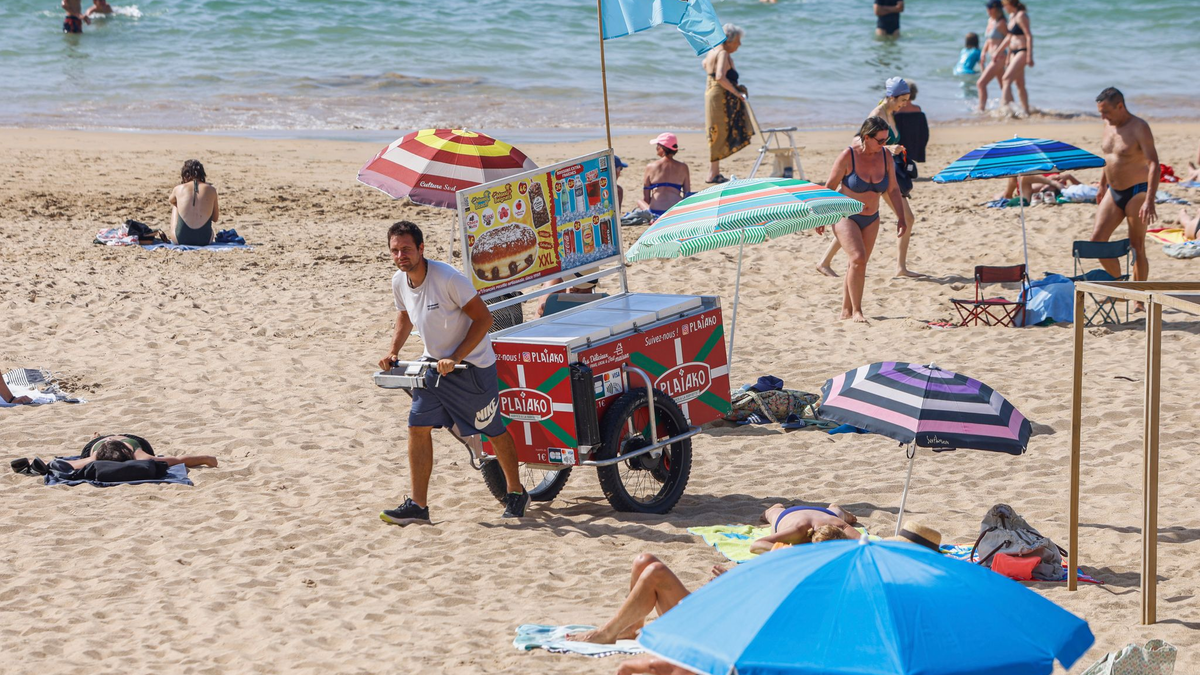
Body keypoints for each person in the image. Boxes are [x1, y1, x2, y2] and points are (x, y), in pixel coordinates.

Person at [378, 221, 529, 524]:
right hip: (433, 367)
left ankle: (515, 491)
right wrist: (393, 350)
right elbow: (405, 315)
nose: (400, 255)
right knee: (416, 428)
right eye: (395, 250)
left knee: (492, 430)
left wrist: (456, 356)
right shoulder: (399, 280)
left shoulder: (448, 278)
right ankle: (419, 505)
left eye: (406, 249)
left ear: (421, 249)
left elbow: (484, 320)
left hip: (471, 367)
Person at [570, 529, 850, 646]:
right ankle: (632, 626)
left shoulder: (811, 588)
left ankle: (606, 633)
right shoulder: (791, 561)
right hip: (715, 610)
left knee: (655, 572)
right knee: (644, 560)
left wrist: (727, 587)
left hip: (718, 629)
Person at [817, 80, 918, 280]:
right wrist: (888, 148)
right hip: (869, 175)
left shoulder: (890, 113)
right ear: (891, 97)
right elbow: (858, 141)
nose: (904, 104)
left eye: (907, 100)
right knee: (900, 218)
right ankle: (900, 266)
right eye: (902, 100)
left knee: (858, 220)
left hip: (882, 172)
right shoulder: (876, 115)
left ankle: (824, 261)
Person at [816, 117, 907, 323]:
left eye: (886, 140)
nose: (885, 144)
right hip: (845, 215)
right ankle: (858, 311)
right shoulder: (848, 156)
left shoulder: (885, 156)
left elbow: (892, 189)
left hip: (872, 217)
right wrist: (821, 216)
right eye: (881, 140)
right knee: (857, 257)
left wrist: (901, 217)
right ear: (867, 137)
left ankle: (846, 310)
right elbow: (829, 186)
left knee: (858, 264)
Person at [1091, 87, 1159, 286]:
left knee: (1136, 246)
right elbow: (1110, 157)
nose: (1103, 116)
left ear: (1120, 106)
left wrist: (1149, 200)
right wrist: (1102, 185)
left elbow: (1154, 163)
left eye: (1106, 112)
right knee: (1097, 241)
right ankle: (1120, 285)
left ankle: (1138, 298)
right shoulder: (1107, 124)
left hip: (1137, 191)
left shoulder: (1139, 127)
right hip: (1114, 191)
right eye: (1101, 112)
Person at [702, 24, 753, 184]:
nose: (739, 44)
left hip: (710, 92)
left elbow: (705, 64)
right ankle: (713, 173)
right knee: (720, 131)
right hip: (720, 95)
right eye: (737, 41)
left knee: (714, 131)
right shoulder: (723, 52)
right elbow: (720, 77)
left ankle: (714, 172)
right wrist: (737, 93)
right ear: (729, 40)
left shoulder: (713, 51)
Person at [56, 435, 218, 470]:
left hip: (130, 440)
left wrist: (206, 459)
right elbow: (65, 464)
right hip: (99, 443)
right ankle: (98, 436)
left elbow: (176, 459)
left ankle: (99, 436)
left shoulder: (138, 453)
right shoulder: (96, 455)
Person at [750, 503, 860, 554]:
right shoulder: (798, 530)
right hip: (788, 514)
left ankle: (836, 508)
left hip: (825, 514)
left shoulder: (840, 526)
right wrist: (788, 550)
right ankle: (776, 507)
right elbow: (756, 545)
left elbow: (865, 542)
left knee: (840, 514)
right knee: (770, 514)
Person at [639, 133, 691, 219]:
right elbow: (687, 194)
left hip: (656, 210)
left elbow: (646, 199)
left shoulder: (650, 167)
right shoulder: (683, 167)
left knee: (639, 201)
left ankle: (653, 216)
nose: (656, 148)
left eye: (657, 145)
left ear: (662, 148)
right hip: (675, 210)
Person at [168, 160, 220, 246]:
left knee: (176, 203)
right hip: (205, 240)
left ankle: (179, 230)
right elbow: (215, 218)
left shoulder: (179, 188)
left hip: (180, 239)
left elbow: (170, 200)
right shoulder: (212, 190)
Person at [998, 0, 1033, 116]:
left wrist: (1029, 56)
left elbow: (1028, 36)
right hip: (1013, 52)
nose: (1003, 8)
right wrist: (1002, 53)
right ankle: (1026, 111)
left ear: (1010, 4)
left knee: (1006, 78)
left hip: (1022, 51)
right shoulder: (1012, 16)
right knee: (1020, 84)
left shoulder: (1021, 15)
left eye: (1004, 5)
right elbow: (1010, 37)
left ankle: (1004, 109)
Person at [976, 0, 1009, 112]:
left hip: (999, 58)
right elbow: (989, 40)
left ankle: (980, 109)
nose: (988, 10)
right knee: (1003, 86)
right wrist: (983, 53)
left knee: (981, 83)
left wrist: (1006, 55)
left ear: (996, 9)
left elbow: (1009, 39)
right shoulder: (990, 21)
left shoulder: (1002, 23)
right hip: (992, 57)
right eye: (987, 8)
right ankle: (1011, 107)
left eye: (990, 8)